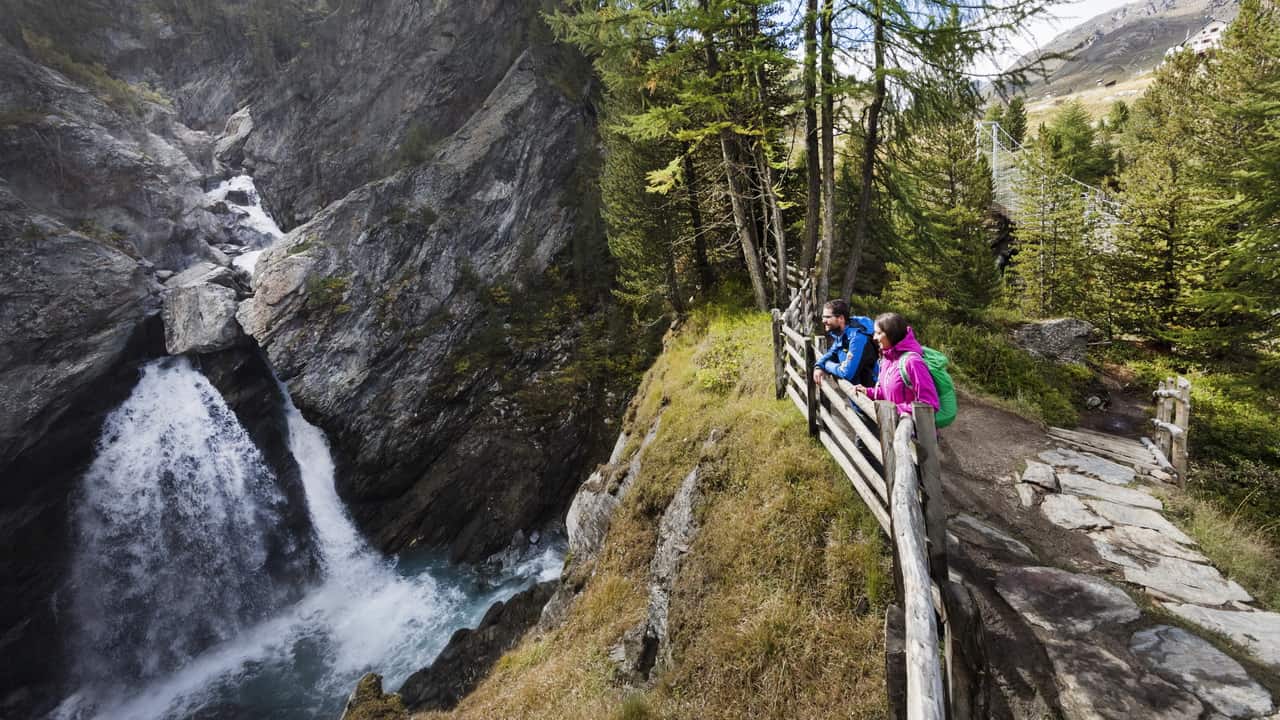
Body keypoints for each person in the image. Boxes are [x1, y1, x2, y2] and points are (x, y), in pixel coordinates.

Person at [854, 312, 939, 417]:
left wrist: (893, 410)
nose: (874, 337)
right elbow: (888, 392)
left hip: (912, 431)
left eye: (879, 333)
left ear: (892, 334)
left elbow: (929, 404)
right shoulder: (887, 359)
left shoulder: (912, 362)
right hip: (892, 427)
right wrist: (868, 392)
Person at [811, 299, 879, 388]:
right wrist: (819, 366)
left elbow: (846, 373)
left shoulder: (857, 338)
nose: (823, 320)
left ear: (841, 318)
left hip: (870, 394)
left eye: (828, 317)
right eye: (823, 317)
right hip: (857, 391)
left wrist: (827, 365)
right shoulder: (843, 333)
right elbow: (832, 353)